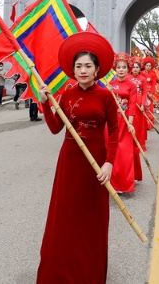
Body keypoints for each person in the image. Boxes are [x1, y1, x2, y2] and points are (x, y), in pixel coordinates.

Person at [36, 31, 118, 283]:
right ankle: (61, 270)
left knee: (92, 218)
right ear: (73, 70)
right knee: (66, 217)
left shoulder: (106, 96)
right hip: (70, 162)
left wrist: (109, 162)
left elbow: (115, 131)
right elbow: (55, 128)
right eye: (79, 66)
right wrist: (44, 104)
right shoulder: (66, 95)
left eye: (88, 66)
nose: (83, 70)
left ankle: (89, 272)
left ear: (97, 69)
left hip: (96, 163)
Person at [107, 52, 137, 193]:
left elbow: (132, 105)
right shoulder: (110, 86)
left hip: (125, 123)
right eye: (118, 67)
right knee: (112, 152)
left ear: (128, 69)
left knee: (125, 153)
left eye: (124, 67)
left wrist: (130, 123)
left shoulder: (132, 86)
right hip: (112, 122)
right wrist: (107, 92)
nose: (121, 69)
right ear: (115, 69)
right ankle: (112, 183)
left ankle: (124, 184)